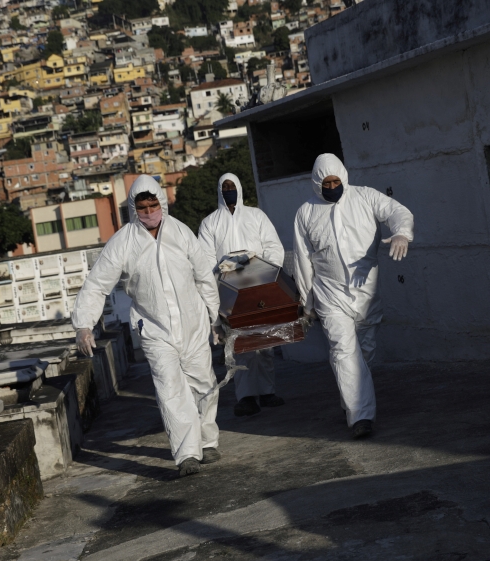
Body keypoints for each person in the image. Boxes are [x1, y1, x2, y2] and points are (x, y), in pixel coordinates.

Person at [72, 175, 222, 477]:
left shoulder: (181, 232)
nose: (149, 212)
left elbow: (204, 277)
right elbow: (97, 284)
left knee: (204, 384)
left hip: (193, 323)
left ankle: (207, 440)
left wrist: (214, 316)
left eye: (153, 205)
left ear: (161, 203)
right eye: (143, 208)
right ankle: (187, 454)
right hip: (154, 329)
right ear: (133, 209)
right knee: (170, 389)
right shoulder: (122, 243)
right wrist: (83, 324)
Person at [292, 154, 414, 439]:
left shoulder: (365, 197)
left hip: (366, 293)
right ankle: (361, 416)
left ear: (343, 178)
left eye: (336, 181)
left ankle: (352, 400)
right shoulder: (306, 212)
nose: (332, 187)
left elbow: (397, 211)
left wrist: (401, 233)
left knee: (365, 352)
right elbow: (302, 259)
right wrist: (307, 302)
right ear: (316, 183)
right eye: (326, 183)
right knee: (343, 351)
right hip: (329, 293)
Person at [198, 173, 286, 417]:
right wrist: (221, 276)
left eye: (232, 186)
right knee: (238, 343)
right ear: (219, 190)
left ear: (239, 187)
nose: (229, 190)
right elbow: (204, 260)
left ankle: (267, 392)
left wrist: (266, 271)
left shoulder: (256, 216)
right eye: (224, 187)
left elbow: (273, 246)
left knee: (264, 340)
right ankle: (246, 397)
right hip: (229, 290)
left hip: (258, 285)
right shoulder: (210, 223)